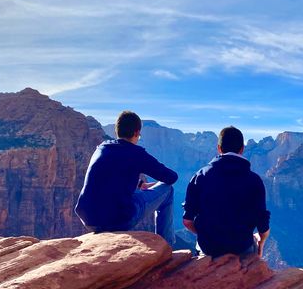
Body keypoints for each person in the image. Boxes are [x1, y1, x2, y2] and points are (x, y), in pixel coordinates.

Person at [75, 110, 178, 245]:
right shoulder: (136, 153)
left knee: (128, 193)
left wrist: (140, 184)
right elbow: (171, 177)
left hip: (89, 219)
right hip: (118, 219)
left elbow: (110, 175)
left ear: (117, 131)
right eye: (139, 135)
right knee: (168, 190)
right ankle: (167, 245)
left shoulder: (101, 148)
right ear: (136, 133)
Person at [182, 126, 270, 258]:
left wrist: (205, 234)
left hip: (208, 249)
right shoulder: (254, 180)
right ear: (242, 149)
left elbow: (187, 222)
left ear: (219, 148)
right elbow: (263, 225)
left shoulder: (200, 176)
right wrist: (261, 242)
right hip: (241, 248)